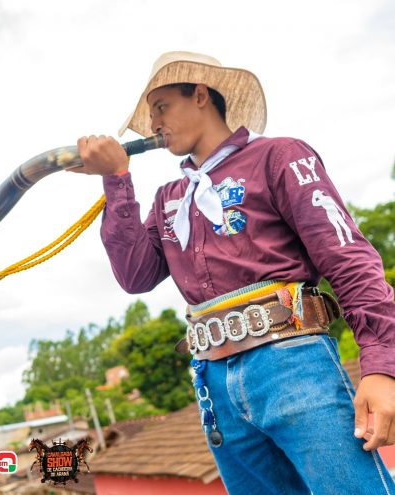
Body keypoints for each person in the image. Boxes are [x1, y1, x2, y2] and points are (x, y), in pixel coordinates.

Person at [71, 52, 395, 493]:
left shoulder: (279, 156)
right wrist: (117, 180)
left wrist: (381, 367)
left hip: (293, 363)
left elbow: (348, 258)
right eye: (151, 114)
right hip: (212, 382)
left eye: (161, 106)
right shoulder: (170, 196)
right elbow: (134, 275)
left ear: (201, 95)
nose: (155, 122)